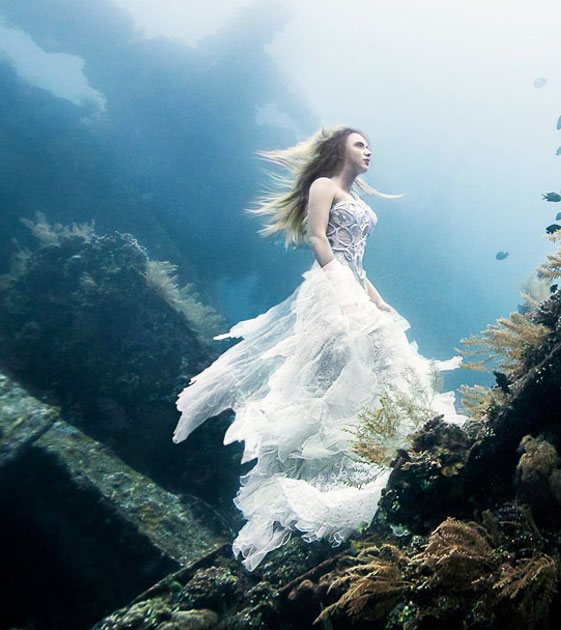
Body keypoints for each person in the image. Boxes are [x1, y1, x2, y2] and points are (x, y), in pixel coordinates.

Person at [173, 126, 464, 571]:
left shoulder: (355, 197)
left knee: (383, 367)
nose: (368, 151)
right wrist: (341, 288)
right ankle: (304, 486)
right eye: (360, 144)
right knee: (328, 379)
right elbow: (318, 239)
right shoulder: (323, 185)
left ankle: (389, 454)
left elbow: (357, 259)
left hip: (354, 287)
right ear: (339, 148)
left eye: (369, 145)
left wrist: (375, 299)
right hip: (329, 291)